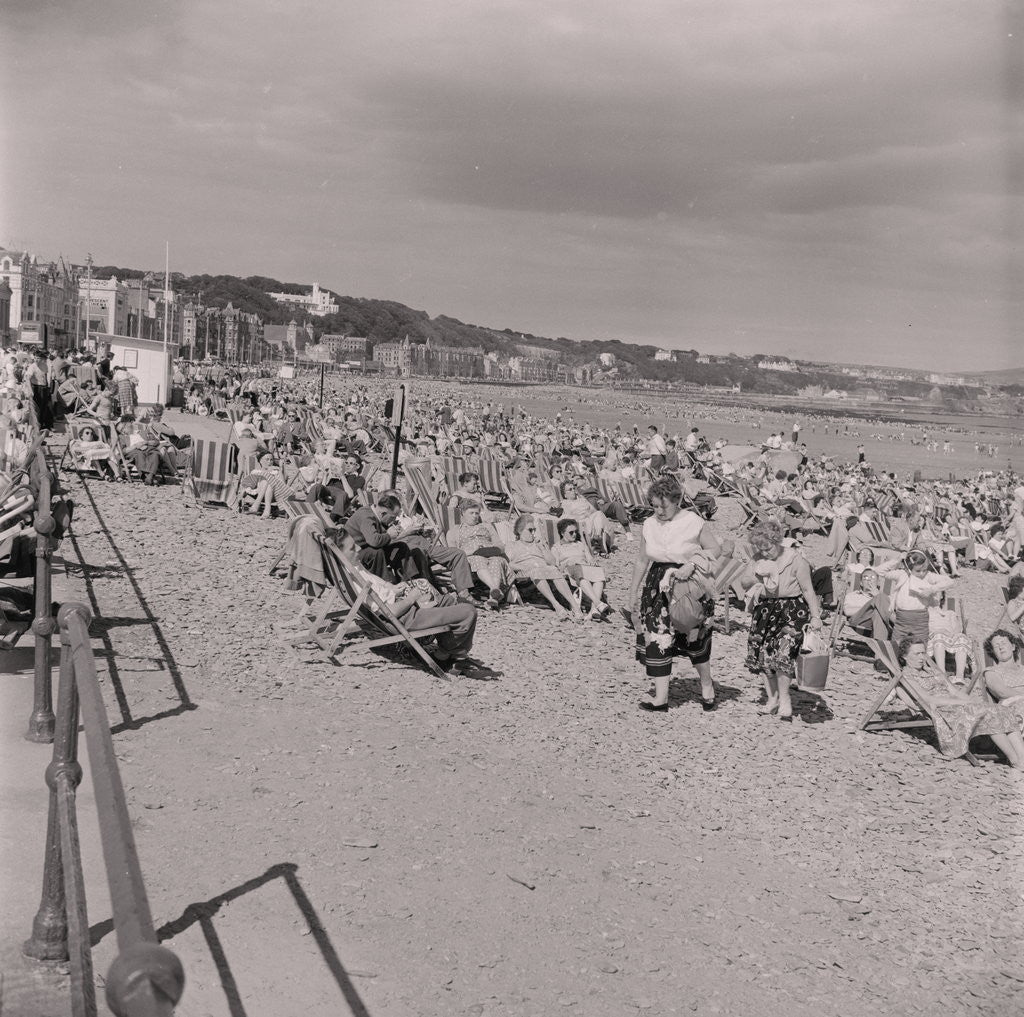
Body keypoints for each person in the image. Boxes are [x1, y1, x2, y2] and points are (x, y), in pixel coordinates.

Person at [628, 474, 721, 713]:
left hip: (688, 583)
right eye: (654, 505)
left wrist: (692, 563)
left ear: (677, 500)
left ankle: (707, 685)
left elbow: (715, 549)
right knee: (658, 636)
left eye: (663, 506)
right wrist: (633, 592)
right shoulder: (649, 524)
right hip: (656, 584)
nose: (658, 511)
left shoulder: (693, 521)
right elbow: (641, 560)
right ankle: (661, 698)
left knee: (694, 636)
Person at [335, 531, 480, 673]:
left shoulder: (351, 568)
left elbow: (376, 583)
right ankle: (446, 656)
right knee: (468, 611)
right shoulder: (355, 581)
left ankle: (453, 655)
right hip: (405, 617)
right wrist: (411, 598)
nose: (359, 548)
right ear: (339, 553)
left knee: (447, 600)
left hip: (401, 604)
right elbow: (389, 612)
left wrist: (392, 587)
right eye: (352, 548)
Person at [897, 638, 1024, 768]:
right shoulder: (907, 676)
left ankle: (1022, 759)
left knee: (1002, 710)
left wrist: (970, 701)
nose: (922, 657)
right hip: (944, 711)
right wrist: (961, 702)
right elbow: (928, 699)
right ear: (905, 656)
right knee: (989, 714)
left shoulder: (932, 671)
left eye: (923, 653)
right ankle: (1014, 760)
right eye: (916, 654)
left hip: (959, 705)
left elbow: (955, 691)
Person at [745, 519, 823, 722]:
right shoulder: (758, 558)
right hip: (765, 609)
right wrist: (758, 575)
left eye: (767, 548)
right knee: (762, 654)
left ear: (777, 541)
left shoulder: (796, 559)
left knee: (783, 653)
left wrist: (815, 616)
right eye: (760, 549)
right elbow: (744, 581)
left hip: (791, 610)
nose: (764, 552)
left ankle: (785, 698)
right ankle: (772, 698)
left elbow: (808, 589)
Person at [505, 514, 583, 622]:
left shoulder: (539, 544)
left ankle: (576, 607)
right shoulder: (512, 545)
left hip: (545, 569)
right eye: (530, 530)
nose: (533, 533)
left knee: (554, 570)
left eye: (534, 530)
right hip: (525, 573)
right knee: (537, 572)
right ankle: (557, 605)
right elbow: (508, 563)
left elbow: (552, 562)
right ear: (520, 531)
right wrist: (523, 566)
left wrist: (543, 548)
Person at [344, 493, 432, 583]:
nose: (396, 519)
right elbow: (374, 541)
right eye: (393, 516)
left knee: (401, 547)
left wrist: (389, 532)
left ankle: (409, 580)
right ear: (383, 513)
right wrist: (389, 535)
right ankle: (386, 584)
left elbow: (377, 535)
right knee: (377, 552)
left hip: (365, 548)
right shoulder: (366, 517)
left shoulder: (374, 513)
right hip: (353, 553)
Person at [445, 499, 515, 609]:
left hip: (491, 554)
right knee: (478, 559)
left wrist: (492, 549)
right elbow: (453, 553)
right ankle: (494, 589)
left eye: (476, 513)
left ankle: (493, 597)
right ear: (463, 513)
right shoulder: (454, 531)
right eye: (471, 513)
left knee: (497, 561)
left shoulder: (487, 527)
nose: (475, 516)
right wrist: (471, 551)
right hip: (471, 557)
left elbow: (500, 545)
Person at [883, 550, 954, 647]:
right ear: (908, 568)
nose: (921, 573)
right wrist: (898, 560)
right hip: (902, 618)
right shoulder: (902, 574)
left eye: (924, 570)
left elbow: (949, 581)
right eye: (917, 571)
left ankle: (918, 661)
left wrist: (932, 589)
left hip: (920, 618)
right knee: (896, 646)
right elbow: (880, 571)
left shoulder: (928, 576)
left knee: (920, 645)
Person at [551, 517, 610, 619]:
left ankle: (594, 610)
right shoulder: (556, 547)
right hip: (570, 570)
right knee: (579, 571)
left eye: (575, 532)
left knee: (599, 572)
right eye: (571, 532)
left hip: (585, 569)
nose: (574, 534)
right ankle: (597, 602)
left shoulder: (580, 545)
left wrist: (593, 563)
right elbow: (556, 567)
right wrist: (569, 562)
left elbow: (590, 559)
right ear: (562, 533)